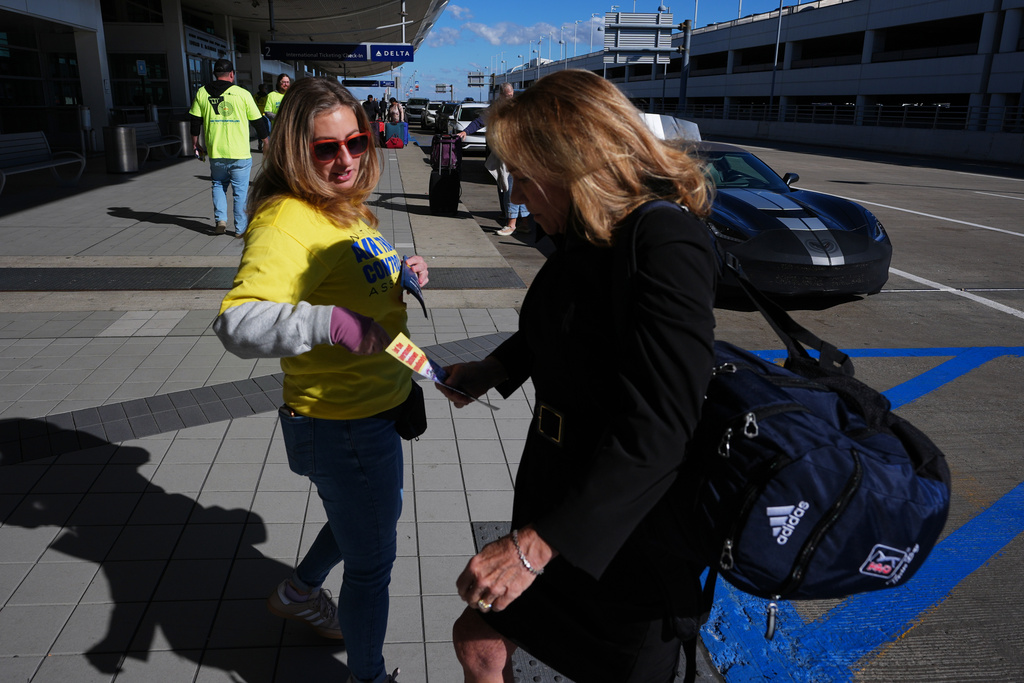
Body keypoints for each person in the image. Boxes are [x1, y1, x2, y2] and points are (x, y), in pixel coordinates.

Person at [438, 69, 717, 683]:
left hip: (620, 532)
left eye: (523, 174)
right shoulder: (583, 235)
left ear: (569, 162)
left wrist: (533, 547)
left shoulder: (664, 238)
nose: (517, 190)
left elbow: (663, 429)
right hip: (555, 495)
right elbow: (565, 326)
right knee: (480, 640)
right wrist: (493, 368)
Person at [213, 76, 428, 683]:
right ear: (292, 151)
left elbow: (353, 287)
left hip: (376, 406)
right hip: (343, 422)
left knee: (365, 519)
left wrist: (399, 271)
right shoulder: (286, 219)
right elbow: (237, 322)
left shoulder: (343, 206)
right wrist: (326, 321)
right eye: (325, 149)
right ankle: (368, 675)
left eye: (356, 143)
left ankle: (300, 589)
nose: (345, 160)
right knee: (372, 564)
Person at [189, 58, 269, 237]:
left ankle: (221, 221)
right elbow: (258, 121)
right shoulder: (242, 94)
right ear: (232, 74)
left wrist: (195, 142)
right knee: (240, 192)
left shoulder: (202, 93)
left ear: (214, 74)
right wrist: (266, 141)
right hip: (240, 153)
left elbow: (195, 120)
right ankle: (240, 230)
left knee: (218, 184)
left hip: (216, 152)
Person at [456, 82, 515, 231]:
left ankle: (514, 220)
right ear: (501, 95)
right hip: (500, 152)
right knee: (501, 181)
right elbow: (479, 122)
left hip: (514, 153)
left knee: (511, 186)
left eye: (511, 96)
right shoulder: (495, 109)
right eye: (507, 96)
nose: (510, 99)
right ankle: (506, 213)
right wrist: (466, 132)